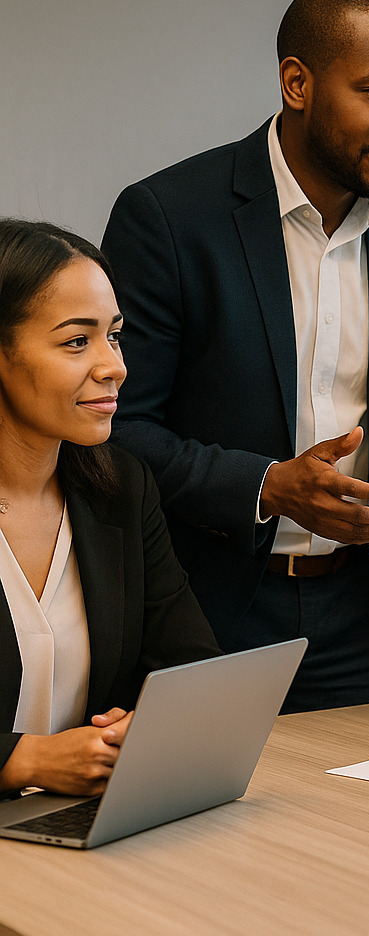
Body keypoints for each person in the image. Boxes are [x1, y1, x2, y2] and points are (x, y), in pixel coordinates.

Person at [101, 0, 369, 711]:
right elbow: (117, 433)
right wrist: (269, 487)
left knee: (366, 829)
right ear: (297, 83)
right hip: (210, 616)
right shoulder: (168, 219)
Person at [0, 219, 219, 796]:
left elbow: (191, 667)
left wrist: (145, 728)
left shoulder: (121, 487)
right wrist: (24, 762)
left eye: (114, 336)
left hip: (74, 829)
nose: (114, 366)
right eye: (77, 341)